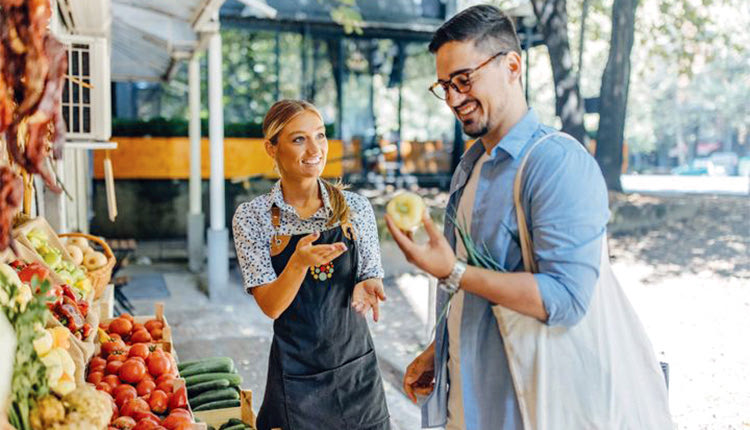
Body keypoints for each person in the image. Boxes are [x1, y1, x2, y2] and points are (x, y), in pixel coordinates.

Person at [385, 5, 670, 430]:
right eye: (444, 86)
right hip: (466, 405)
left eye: (464, 80)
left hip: (534, 407)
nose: (453, 98)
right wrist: (439, 349)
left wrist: (455, 272)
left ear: (512, 65)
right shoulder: (471, 164)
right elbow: (475, 295)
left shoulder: (557, 163)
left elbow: (566, 299)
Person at [233, 99, 390, 430]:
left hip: (356, 373)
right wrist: (297, 263)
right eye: (299, 139)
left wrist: (369, 284)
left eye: (320, 136)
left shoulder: (356, 208)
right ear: (271, 148)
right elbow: (271, 307)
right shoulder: (253, 217)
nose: (315, 149)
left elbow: (370, 274)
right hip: (296, 378)